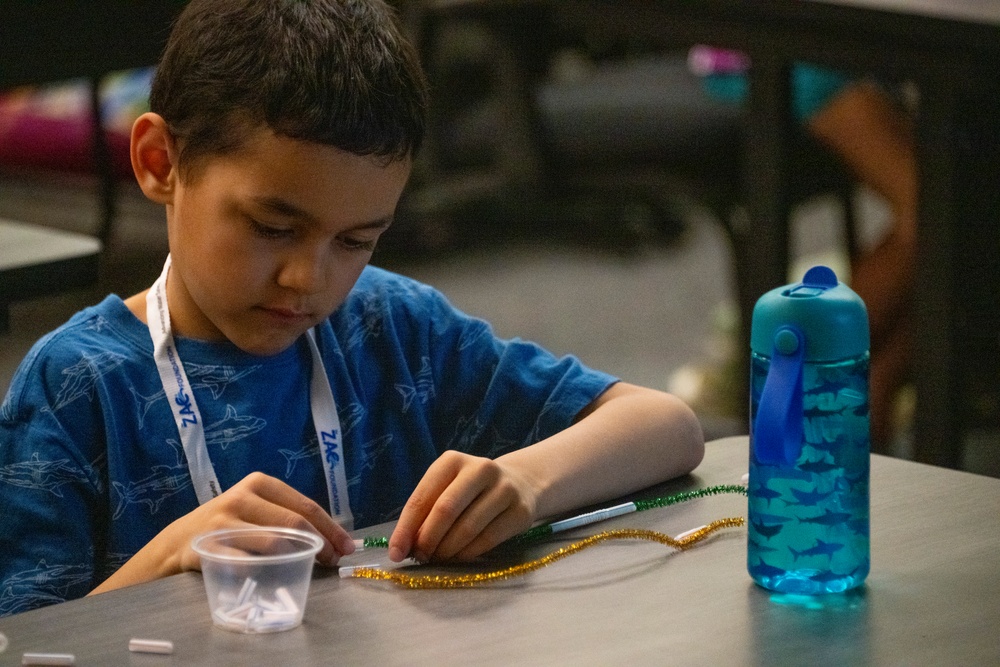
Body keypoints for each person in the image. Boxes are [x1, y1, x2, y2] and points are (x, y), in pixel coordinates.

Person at [0, 0, 704, 617]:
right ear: (159, 163)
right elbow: (23, 641)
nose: (309, 279)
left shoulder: (390, 328)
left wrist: (526, 478)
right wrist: (169, 559)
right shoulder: (75, 388)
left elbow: (665, 426)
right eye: (273, 227)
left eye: (357, 239)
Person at [688, 47, 916, 450]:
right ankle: (799, 384)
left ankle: (856, 419)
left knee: (963, 220)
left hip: (866, 59)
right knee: (935, 213)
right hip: (780, 51)